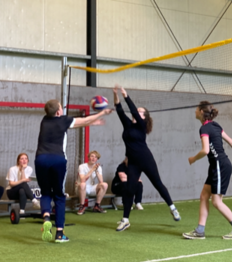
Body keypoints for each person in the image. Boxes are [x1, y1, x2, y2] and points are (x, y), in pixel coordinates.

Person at [36, 99, 111, 243]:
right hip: (58, 160)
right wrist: (101, 112)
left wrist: (90, 123)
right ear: (58, 112)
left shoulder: (44, 120)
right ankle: (59, 233)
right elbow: (83, 120)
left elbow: (78, 123)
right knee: (59, 196)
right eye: (61, 107)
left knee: (45, 192)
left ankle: (46, 217)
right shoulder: (63, 120)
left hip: (40, 159)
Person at [113, 85, 180, 232]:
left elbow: (132, 110)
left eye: (140, 112)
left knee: (157, 184)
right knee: (130, 189)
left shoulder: (141, 126)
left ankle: (172, 208)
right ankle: (125, 220)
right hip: (133, 163)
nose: (137, 113)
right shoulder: (128, 125)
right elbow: (118, 109)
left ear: (144, 117)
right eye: (138, 111)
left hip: (146, 159)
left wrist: (126, 95)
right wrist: (116, 95)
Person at [182, 101, 232, 240]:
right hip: (218, 166)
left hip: (220, 166)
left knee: (217, 202)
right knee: (204, 196)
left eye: (196, 109)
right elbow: (231, 141)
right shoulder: (216, 125)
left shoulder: (204, 129)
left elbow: (206, 150)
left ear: (201, 112)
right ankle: (200, 230)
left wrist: (193, 159)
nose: (194, 111)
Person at [76, 150, 109, 215]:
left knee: (104, 185)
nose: (94, 158)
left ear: (97, 159)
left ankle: (97, 205)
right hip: (81, 189)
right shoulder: (82, 166)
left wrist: (96, 171)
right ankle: (82, 206)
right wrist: (92, 170)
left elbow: (101, 182)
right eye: (92, 156)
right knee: (82, 184)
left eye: (96, 157)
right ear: (88, 157)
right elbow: (83, 180)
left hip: (91, 188)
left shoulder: (98, 167)